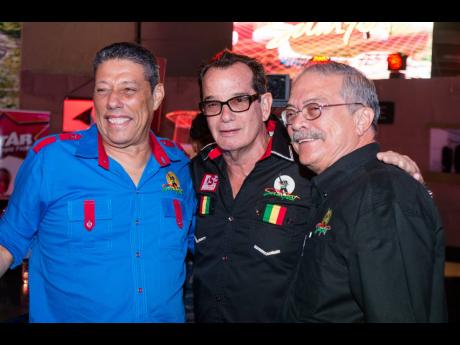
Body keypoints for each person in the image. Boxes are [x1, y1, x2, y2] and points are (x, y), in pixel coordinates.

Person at [191, 50, 425, 322]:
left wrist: (393, 174)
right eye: (212, 104)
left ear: (265, 105)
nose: (225, 116)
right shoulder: (196, 171)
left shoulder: (309, 166)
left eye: (239, 100)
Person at [0, 42, 196, 322]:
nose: (112, 101)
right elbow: (6, 244)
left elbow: (207, 246)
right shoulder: (52, 160)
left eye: (128, 89)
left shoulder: (180, 166)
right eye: (102, 90)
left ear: (156, 95)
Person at [281, 61, 447, 322]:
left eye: (314, 109)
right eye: (291, 113)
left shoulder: (380, 196)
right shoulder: (335, 190)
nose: (296, 123)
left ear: (361, 120)